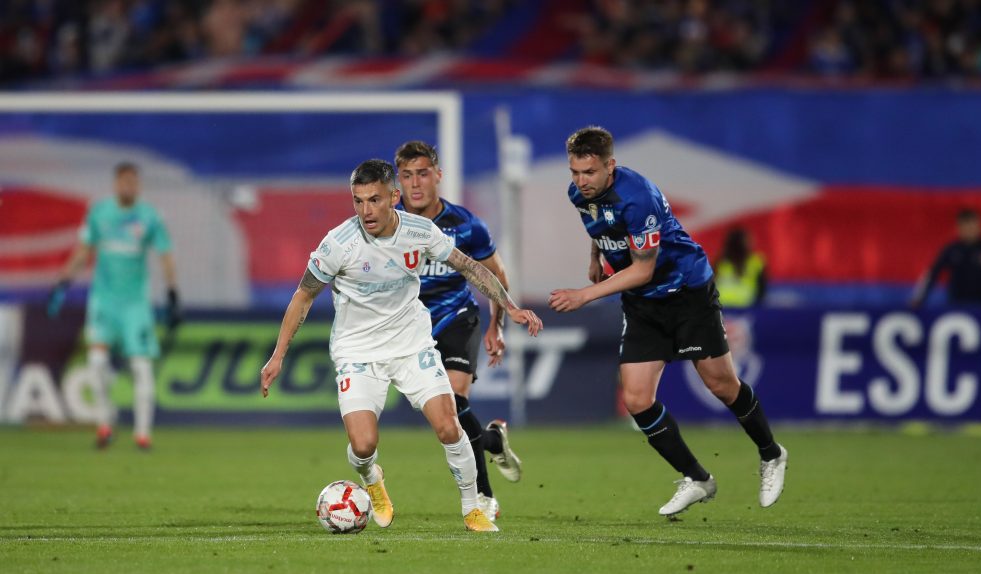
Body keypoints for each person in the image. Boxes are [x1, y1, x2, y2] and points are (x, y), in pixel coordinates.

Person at [259, 159, 542, 532]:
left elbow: (469, 267)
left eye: (374, 200)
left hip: (411, 345)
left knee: (448, 426)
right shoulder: (338, 244)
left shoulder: (420, 231)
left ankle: (473, 508)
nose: (366, 211)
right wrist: (278, 355)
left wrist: (510, 307)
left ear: (394, 197)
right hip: (357, 352)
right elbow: (303, 296)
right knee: (362, 446)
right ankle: (374, 483)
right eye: (358, 201)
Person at [548, 126, 787, 517]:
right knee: (637, 399)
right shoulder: (580, 194)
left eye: (589, 172)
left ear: (611, 165)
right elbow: (600, 226)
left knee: (722, 385)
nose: (580, 181)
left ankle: (772, 454)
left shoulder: (637, 197)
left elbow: (643, 270)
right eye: (574, 172)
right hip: (645, 305)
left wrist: (584, 294)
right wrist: (595, 258)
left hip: (686, 292)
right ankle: (697, 478)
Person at [394, 141, 521, 522]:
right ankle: (492, 439)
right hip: (410, 328)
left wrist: (496, 326)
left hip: (456, 317)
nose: (415, 184)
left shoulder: (465, 224)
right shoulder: (388, 223)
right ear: (398, 181)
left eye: (422, 173)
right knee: (442, 418)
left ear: (438, 175)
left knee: (453, 398)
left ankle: (484, 497)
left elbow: (496, 275)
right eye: (406, 176)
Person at [48, 162, 180, 450]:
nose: (128, 186)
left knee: (141, 368)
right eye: (124, 181)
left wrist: (172, 293)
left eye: (133, 182)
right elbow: (83, 252)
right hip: (104, 301)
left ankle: (142, 434)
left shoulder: (149, 217)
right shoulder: (100, 213)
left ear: (139, 185)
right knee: (96, 364)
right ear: (115, 183)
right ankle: (105, 425)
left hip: (136, 305)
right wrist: (62, 284)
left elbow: (165, 256)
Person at [911, 209, 981, 308]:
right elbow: (932, 274)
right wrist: (919, 298)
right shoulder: (951, 249)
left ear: (980, 226)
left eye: (972, 225)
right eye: (965, 226)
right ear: (958, 228)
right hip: (956, 304)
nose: (969, 230)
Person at [714, 227, 767, 308]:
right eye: (748, 240)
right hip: (746, 307)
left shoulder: (719, 262)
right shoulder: (756, 261)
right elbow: (761, 291)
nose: (752, 241)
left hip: (723, 308)